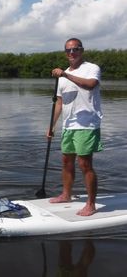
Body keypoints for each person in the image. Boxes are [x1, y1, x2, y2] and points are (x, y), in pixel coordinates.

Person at [48, 38, 103, 216]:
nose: (72, 53)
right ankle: (66, 195)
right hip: (68, 125)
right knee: (66, 161)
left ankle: (91, 204)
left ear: (82, 50)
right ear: (65, 53)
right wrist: (52, 126)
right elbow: (59, 103)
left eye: (76, 49)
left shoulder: (91, 68)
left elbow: (90, 85)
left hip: (87, 124)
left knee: (85, 164)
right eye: (69, 50)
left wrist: (65, 75)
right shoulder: (63, 75)